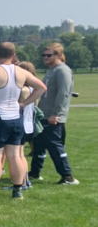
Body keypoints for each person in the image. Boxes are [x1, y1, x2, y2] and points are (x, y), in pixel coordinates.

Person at [0, 43, 46, 200]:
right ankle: (17, 191)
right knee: (15, 156)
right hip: (16, 117)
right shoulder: (21, 71)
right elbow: (41, 87)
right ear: (13, 55)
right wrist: (25, 104)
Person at [29, 42, 78, 185]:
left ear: (58, 55)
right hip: (43, 115)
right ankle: (35, 173)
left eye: (48, 55)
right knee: (39, 146)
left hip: (53, 117)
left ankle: (68, 177)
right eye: (43, 55)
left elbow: (64, 93)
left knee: (55, 146)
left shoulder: (62, 70)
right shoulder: (51, 70)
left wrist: (56, 114)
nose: (45, 57)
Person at [17, 61, 43, 184]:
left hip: (21, 124)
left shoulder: (24, 90)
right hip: (29, 124)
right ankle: (25, 181)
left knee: (19, 155)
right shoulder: (34, 88)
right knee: (21, 155)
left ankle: (22, 182)